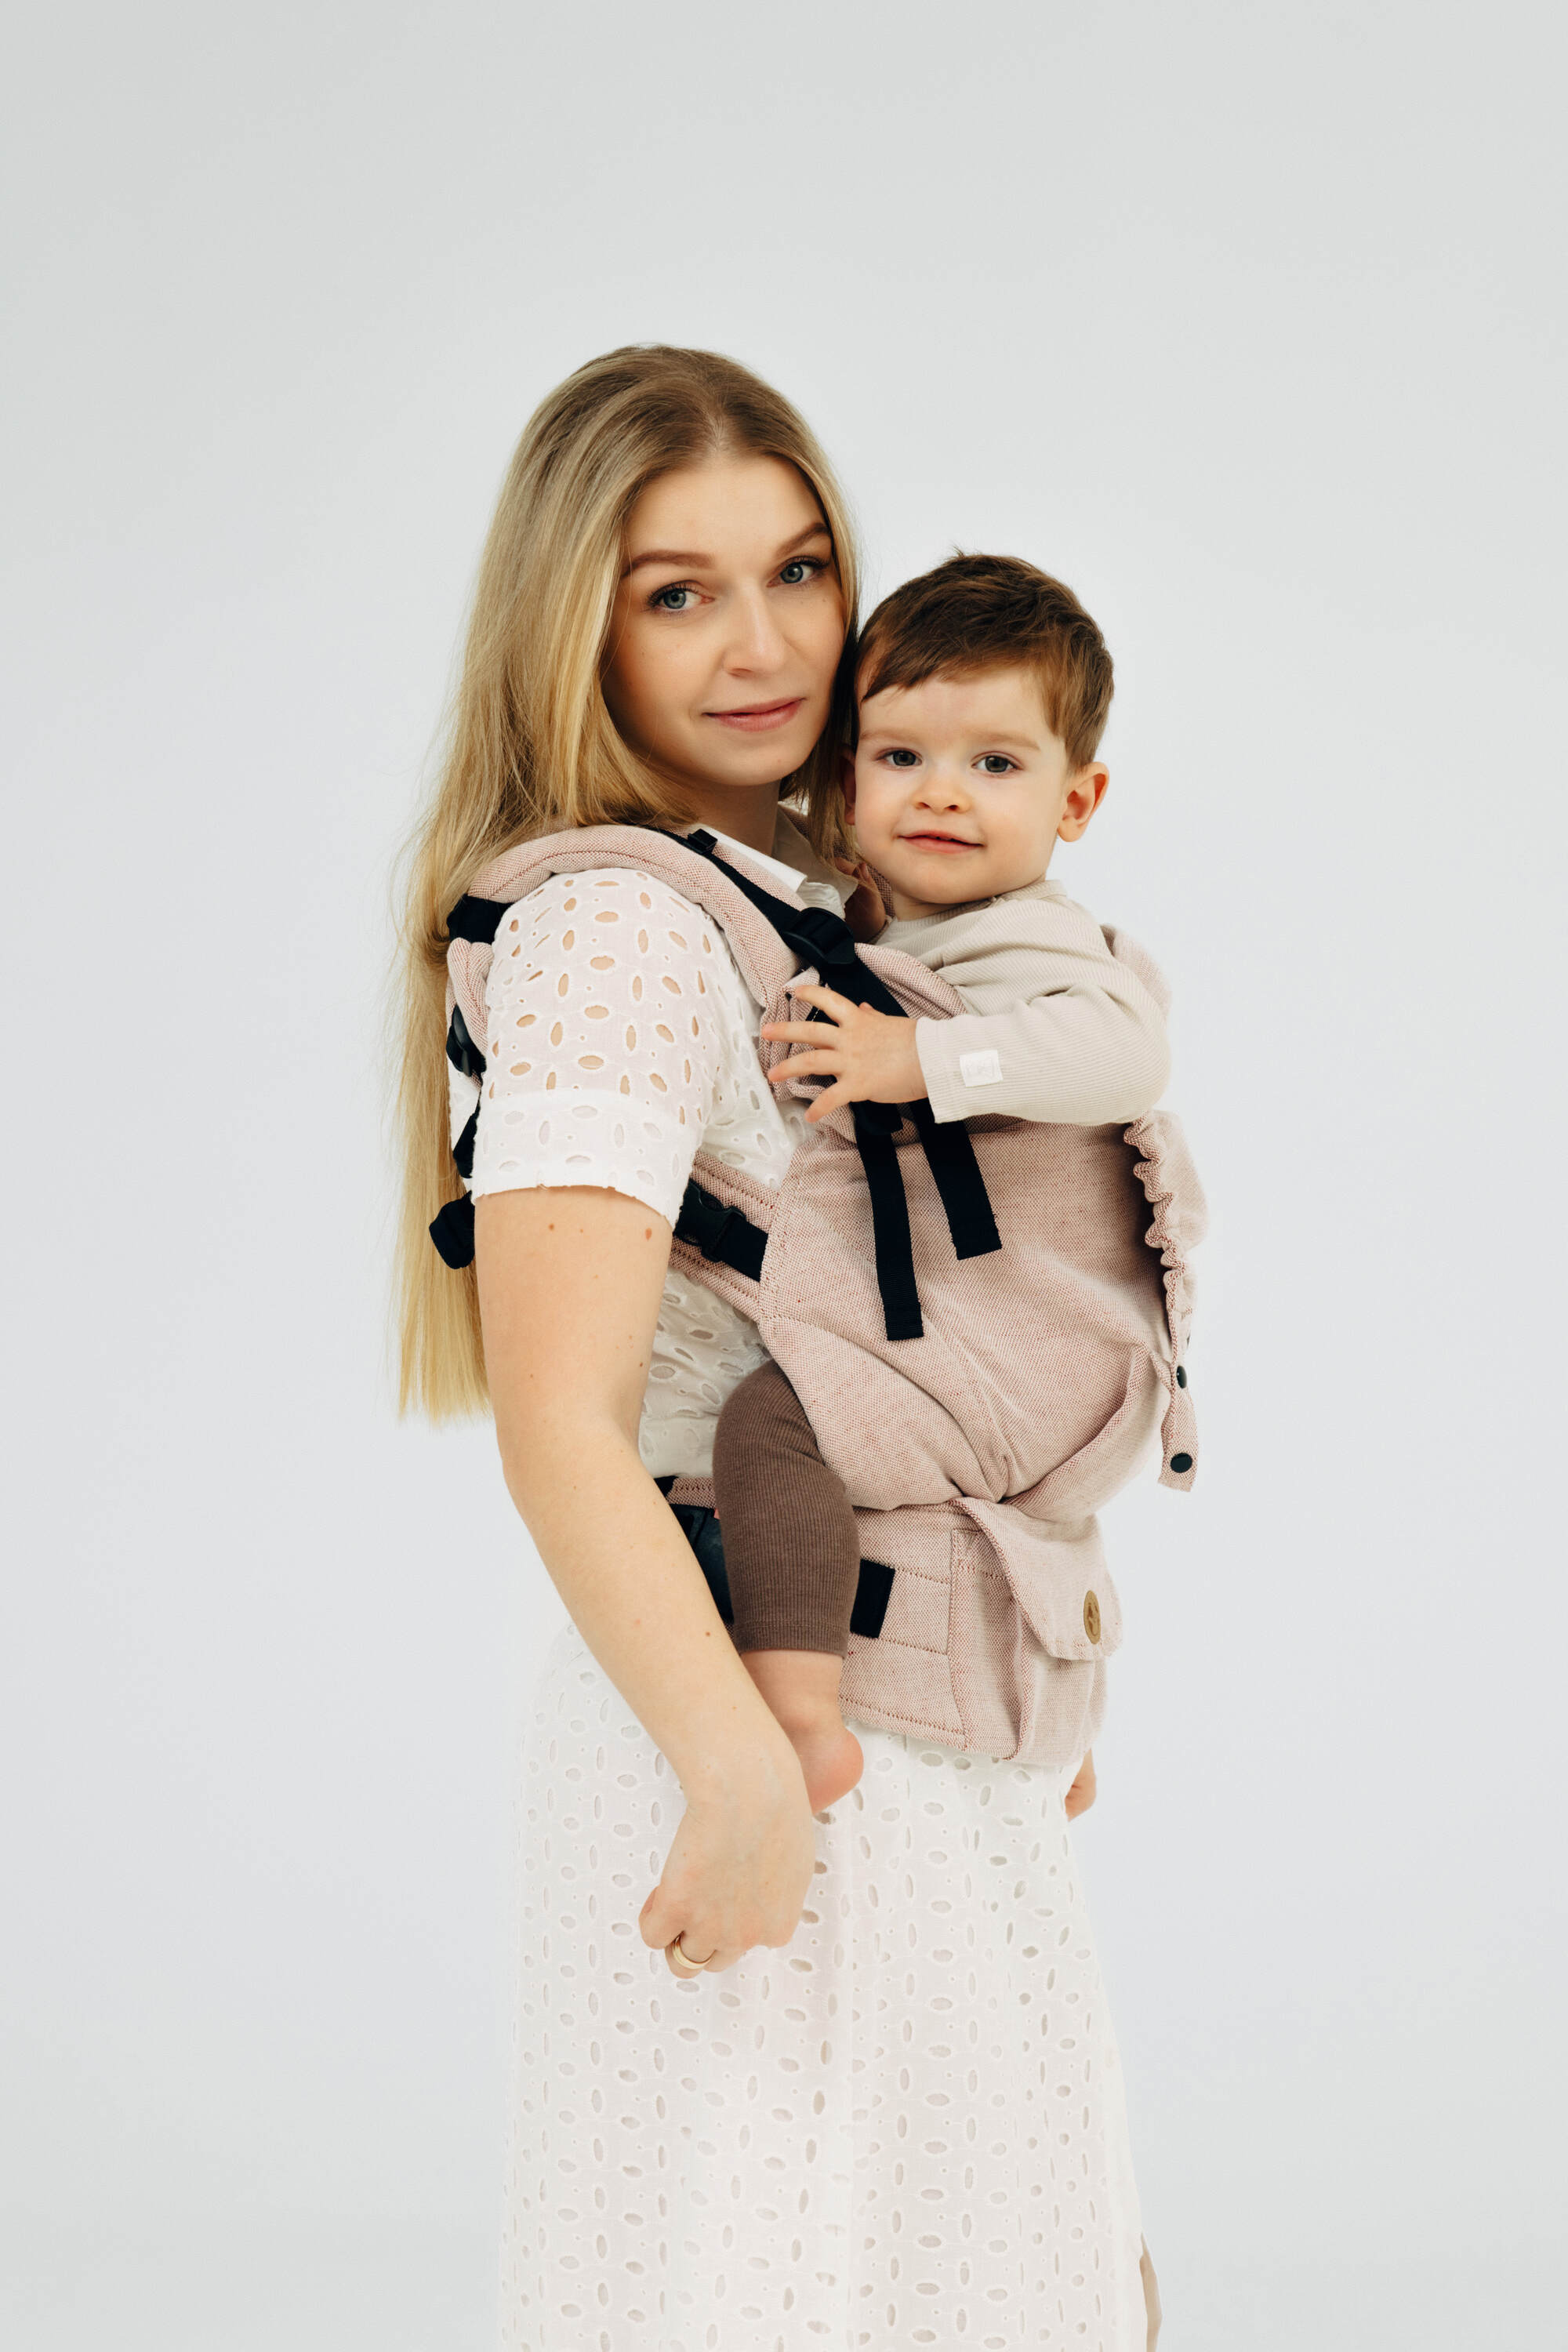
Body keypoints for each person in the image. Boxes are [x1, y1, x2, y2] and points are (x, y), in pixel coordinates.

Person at [395, 343, 1160, 2348]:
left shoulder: (828, 907)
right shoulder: (620, 928)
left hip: (909, 1710)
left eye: (800, 570)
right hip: (754, 1712)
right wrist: (739, 1768)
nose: (765, 645)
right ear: (574, 626)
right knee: (758, 2285)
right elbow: (561, 1417)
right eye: (679, 591)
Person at [711, 554, 1171, 1815]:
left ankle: (797, 1714)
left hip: (1030, 1335)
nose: (942, 794)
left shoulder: (1028, 935)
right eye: (901, 756)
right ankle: (1051, 1723)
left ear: (1078, 800)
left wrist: (915, 1059)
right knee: (1008, 1518)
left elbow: (1129, 1052)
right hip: (1022, 1352)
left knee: (778, 1425)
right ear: (847, 773)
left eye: (997, 764)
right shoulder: (890, 916)